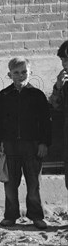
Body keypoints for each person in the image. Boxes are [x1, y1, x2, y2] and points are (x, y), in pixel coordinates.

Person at [0, 57, 52, 229]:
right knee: (10, 184)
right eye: (16, 72)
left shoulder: (37, 95)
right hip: (9, 146)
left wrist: (44, 143)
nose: (21, 75)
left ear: (30, 72)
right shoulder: (3, 96)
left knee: (33, 184)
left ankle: (36, 215)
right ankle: (10, 215)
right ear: (9, 74)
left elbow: (46, 122)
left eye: (24, 72)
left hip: (32, 146)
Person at [49, 40, 68, 189]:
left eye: (66, 59)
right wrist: (58, 87)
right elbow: (56, 106)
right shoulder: (64, 81)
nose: (64, 64)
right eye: (62, 60)